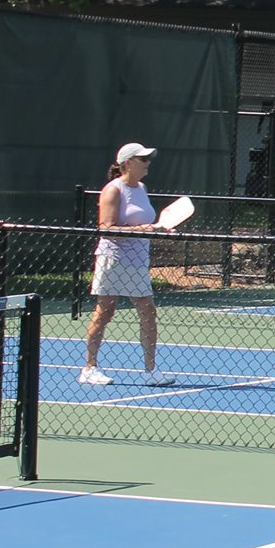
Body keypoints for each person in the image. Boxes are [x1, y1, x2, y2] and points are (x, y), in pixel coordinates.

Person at [80, 143, 175, 387]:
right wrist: (149, 229)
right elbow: (107, 229)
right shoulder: (113, 190)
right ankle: (89, 368)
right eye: (142, 158)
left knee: (148, 311)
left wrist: (161, 230)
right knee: (105, 312)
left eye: (148, 158)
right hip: (113, 259)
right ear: (127, 163)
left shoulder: (142, 188)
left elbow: (147, 224)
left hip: (138, 262)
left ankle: (151, 371)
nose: (147, 162)